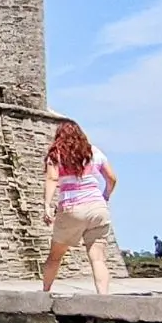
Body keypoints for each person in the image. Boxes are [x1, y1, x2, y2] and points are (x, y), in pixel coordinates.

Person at [42, 120, 117, 295]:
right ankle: (103, 298)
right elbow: (111, 178)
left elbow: (52, 179)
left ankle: (45, 292)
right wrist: (105, 196)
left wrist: (47, 205)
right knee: (98, 258)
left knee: (55, 256)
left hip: (72, 208)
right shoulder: (93, 151)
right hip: (97, 208)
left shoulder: (56, 154)